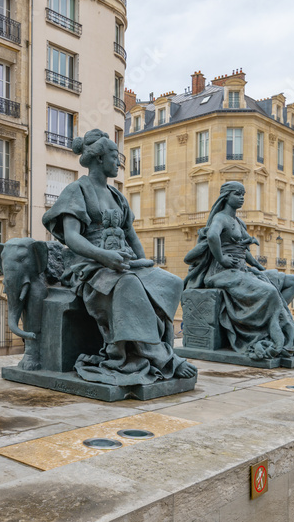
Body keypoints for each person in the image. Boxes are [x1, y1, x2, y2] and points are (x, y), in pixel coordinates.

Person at [41, 129, 197, 385]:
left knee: (169, 281)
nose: (119, 161)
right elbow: (72, 237)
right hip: (89, 265)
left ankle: (158, 346)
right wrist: (104, 256)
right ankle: (158, 357)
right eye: (115, 156)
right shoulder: (77, 190)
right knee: (128, 284)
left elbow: (131, 236)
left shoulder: (117, 196)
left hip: (121, 262)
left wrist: (144, 263)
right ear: (99, 158)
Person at [183, 181, 294, 361]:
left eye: (243, 194)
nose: (241, 198)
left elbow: (244, 251)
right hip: (222, 273)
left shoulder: (238, 222)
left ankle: (269, 326)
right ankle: (278, 337)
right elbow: (212, 236)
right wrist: (221, 258)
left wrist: (258, 267)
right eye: (237, 194)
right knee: (270, 291)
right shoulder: (221, 218)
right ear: (226, 196)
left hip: (242, 270)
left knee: (292, 281)